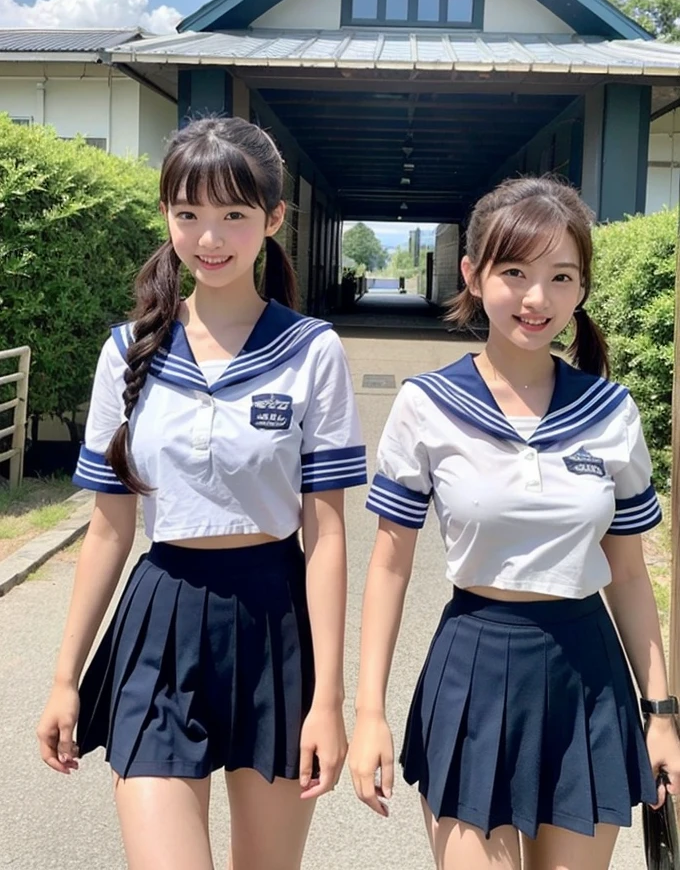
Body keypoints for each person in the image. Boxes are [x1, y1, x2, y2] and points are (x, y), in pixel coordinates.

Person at [37, 116, 367, 870]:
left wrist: (329, 699)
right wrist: (64, 678)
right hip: (160, 618)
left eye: (233, 216)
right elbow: (109, 531)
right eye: (188, 214)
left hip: (275, 620)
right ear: (166, 216)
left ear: (273, 220)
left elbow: (328, 538)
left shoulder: (311, 350)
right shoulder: (128, 353)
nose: (208, 238)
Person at [348, 176, 680, 870]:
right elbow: (388, 564)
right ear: (473, 274)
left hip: (587, 677)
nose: (537, 299)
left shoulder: (611, 412)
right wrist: (369, 712)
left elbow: (626, 571)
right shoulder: (427, 404)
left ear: (583, 287)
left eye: (561, 276)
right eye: (515, 272)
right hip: (472, 671)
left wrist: (662, 713)